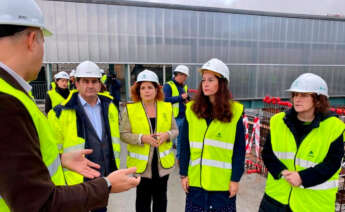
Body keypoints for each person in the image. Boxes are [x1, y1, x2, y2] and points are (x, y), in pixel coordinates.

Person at [0, 1, 140, 211]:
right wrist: (107, 185)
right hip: (74, 188)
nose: (91, 85)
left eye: (94, 81)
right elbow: (39, 203)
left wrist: (61, 159)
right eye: (43, 42)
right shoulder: (8, 102)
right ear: (32, 40)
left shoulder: (12, 93)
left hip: (88, 179)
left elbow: (15, 164)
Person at [259, 73, 345, 212]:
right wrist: (282, 171)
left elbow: (332, 163)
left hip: (312, 204)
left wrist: (303, 178)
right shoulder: (278, 121)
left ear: (318, 100)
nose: (297, 99)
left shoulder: (333, 127)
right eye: (295, 95)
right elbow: (268, 154)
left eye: (304, 95)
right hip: (276, 199)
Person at [48, 61, 121, 212]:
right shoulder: (58, 113)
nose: (90, 85)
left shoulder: (110, 107)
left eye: (94, 81)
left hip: (102, 176)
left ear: (100, 83)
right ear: (76, 83)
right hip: (75, 180)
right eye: (85, 81)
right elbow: (52, 152)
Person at [179, 58, 245, 212]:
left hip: (222, 186)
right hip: (196, 184)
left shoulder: (235, 113)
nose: (205, 84)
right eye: (203, 80)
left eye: (210, 80)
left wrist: (235, 179)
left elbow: (239, 151)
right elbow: (184, 146)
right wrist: (183, 174)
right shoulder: (192, 110)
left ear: (221, 83)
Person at [120, 69, 178, 212]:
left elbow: (175, 130)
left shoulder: (166, 107)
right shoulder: (130, 110)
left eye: (150, 87)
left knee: (161, 198)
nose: (146, 91)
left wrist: (167, 135)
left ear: (157, 89)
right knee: (142, 200)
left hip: (161, 164)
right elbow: (123, 134)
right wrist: (142, 138)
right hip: (142, 166)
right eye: (143, 88)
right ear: (138, 90)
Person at [163, 65, 190, 158]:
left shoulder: (184, 86)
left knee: (181, 140)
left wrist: (187, 101)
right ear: (178, 74)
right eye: (185, 76)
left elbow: (185, 98)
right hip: (173, 118)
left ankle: (179, 158)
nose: (185, 78)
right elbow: (164, 100)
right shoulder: (168, 85)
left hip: (183, 116)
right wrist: (180, 98)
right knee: (170, 139)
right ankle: (166, 158)